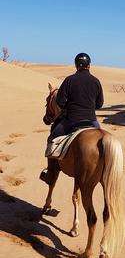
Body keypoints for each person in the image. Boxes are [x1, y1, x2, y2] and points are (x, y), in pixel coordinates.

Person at [40, 52, 104, 185]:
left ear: (76, 65)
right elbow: (99, 104)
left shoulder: (69, 80)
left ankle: (50, 173)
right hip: (92, 122)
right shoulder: (96, 81)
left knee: (51, 138)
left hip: (72, 120)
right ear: (89, 65)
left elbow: (61, 102)